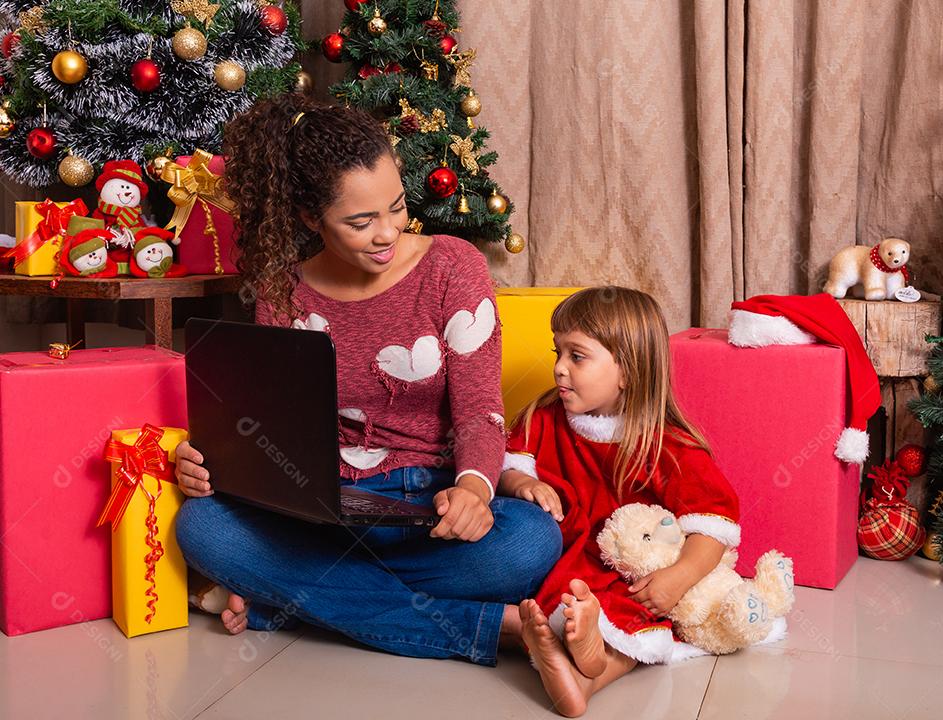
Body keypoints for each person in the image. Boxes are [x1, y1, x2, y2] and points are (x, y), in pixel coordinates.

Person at [173, 94, 561, 667]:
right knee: (203, 527)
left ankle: (289, 600)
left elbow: (481, 409)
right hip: (329, 509)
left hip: (431, 505)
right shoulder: (285, 290)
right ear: (311, 218)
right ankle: (487, 626)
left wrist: (476, 491)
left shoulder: (453, 267)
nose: (387, 233)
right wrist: (214, 460)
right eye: (361, 221)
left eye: (397, 207)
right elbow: (275, 430)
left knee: (530, 540)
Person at [500, 287, 746, 716]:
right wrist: (521, 481)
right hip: (564, 559)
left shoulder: (667, 444)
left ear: (628, 371)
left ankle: (591, 666)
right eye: (556, 352)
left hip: (626, 570)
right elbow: (509, 464)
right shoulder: (543, 416)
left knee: (639, 610)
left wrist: (680, 576)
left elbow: (714, 521)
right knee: (558, 596)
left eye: (577, 356)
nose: (558, 368)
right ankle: (580, 673)